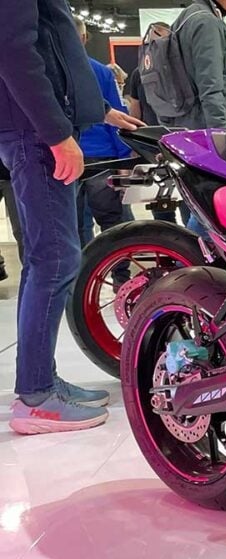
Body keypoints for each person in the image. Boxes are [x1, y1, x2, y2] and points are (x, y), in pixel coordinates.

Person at [0, 0, 144, 434]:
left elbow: (52, 51)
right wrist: (57, 133)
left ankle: (40, 382)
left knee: (48, 258)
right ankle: (36, 397)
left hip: (36, 129)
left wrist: (98, 109)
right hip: (34, 133)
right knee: (56, 258)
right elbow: (15, 49)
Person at [161, 0, 226, 238]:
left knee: (203, 210)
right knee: (213, 214)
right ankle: (190, 260)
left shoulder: (189, 19)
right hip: (211, 137)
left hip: (193, 131)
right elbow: (211, 89)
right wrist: (222, 142)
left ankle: (192, 256)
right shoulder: (205, 22)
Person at [73, 17, 134, 248]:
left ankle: (81, 269)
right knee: (113, 224)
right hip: (103, 158)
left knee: (75, 225)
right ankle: (119, 268)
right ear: (84, 38)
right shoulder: (101, 72)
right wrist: (124, 160)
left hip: (67, 157)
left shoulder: (50, 73)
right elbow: (118, 118)